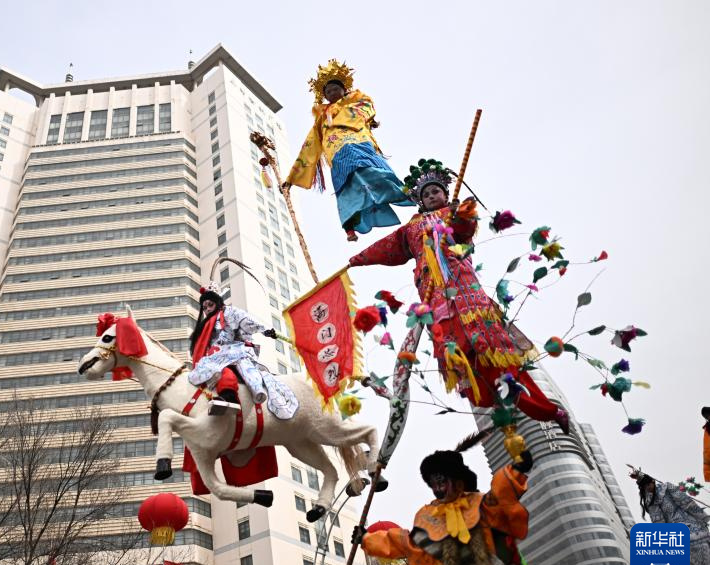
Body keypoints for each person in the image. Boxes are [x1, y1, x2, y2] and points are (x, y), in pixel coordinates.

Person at [347, 158, 569, 433]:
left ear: (445, 193)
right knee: (460, 354)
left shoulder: (453, 213)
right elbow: (388, 247)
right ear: (420, 201)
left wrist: (462, 215)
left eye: (436, 191)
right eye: (426, 194)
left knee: (491, 351)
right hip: (433, 293)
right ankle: (500, 396)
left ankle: (543, 407)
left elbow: (465, 230)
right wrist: (357, 259)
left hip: (462, 286)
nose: (431, 196)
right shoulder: (411, 227)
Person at [354, 448, 544, 565]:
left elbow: (501, 494)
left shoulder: (478, 504)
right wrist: (367, 539)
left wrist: (517, 470)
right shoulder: (429, 518)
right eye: (433, 482)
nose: (438, 487)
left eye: (442, 480)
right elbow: (405, 543)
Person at [282, 59, 413, 241]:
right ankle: (349, 226)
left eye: (335, 89)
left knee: (370, 170)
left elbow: (367, 108)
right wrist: (291, 179)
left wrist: (341, 116)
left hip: (358, 142)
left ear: (344, 89)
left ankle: (404, 191)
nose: (332, 93)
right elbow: (309, 146)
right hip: (336, 153)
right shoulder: (321, 118)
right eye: (328, 91)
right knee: (346, 184)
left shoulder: (357, 100)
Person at [187, 282, 296, 418]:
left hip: (235, 351)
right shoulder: (205, 325)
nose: (208, 309)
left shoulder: (229, 312)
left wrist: (264, 330)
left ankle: (230, 398)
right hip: (215, 356)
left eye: (210, 305)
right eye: (204, 307)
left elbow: (245, 320)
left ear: (217, 303)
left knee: (223, 369)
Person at [633, 470, 710, 565]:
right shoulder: (651, 500)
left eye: (648, 485)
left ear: (652, 481)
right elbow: (659, 523)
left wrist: (701, 517)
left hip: (688, 526)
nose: (648, 488)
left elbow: (686, 503)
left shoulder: (666, 489)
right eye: (645, 487)